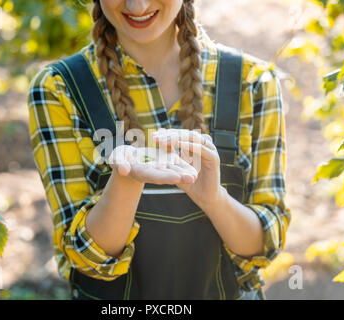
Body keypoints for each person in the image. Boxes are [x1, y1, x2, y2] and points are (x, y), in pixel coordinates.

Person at [28, 0, 291, 300]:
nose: (137, 5)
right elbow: (86, 260)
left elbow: (264, 246)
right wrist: (126, 181)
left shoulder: (251, 83)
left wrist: (215, 200)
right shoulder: (61, 89)